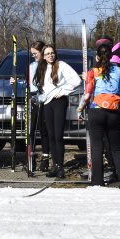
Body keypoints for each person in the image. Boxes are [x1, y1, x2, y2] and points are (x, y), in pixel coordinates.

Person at [79, 42, 120, 187]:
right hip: (113, 113)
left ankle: (97, 182)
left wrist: (80, 109)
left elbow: (87, 94)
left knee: (97, 147)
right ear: (111, 56)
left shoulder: (93, 72)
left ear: (97, 57)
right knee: (116, 148)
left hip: (96, 111)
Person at [36, 44, 81, 178]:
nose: (50, 55)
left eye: (52, 53)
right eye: (48, 53)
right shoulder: (42, 68)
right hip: (47, 103)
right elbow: (40, 86)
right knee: (51, 136)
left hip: (59, 102)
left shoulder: (61, 65)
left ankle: (60, 166)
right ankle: (54, 166)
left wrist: (63, 91)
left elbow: (76, 80)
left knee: (58, 135)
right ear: (43, 56)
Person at [27, 41, 50, 172]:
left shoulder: (48, 66)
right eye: (32, 54)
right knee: (31, 129)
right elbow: (27, 82)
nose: (34, 56)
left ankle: (45, 158)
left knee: (44, 130)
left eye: (36, 53)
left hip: (45, 98)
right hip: (33, 98)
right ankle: (31, 157)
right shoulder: (32, 66)